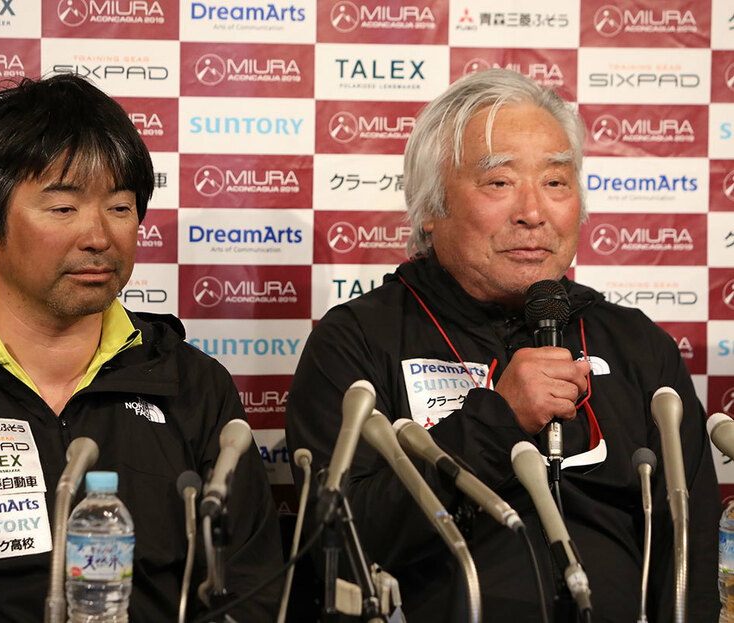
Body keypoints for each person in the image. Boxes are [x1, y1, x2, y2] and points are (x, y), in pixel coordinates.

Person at [0, 73, 283, 622]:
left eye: (120, 207)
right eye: (63, 209)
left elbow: (251, 591)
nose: (98, 236)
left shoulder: (193, 384)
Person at [285, 68, 720, 621]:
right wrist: (497, 420)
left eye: (557, 182)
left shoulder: (636, 344)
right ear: (431, 205)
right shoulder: (358, 341)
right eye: (499, 182)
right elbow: (333, 547)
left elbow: (691, 552)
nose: (534, 212)